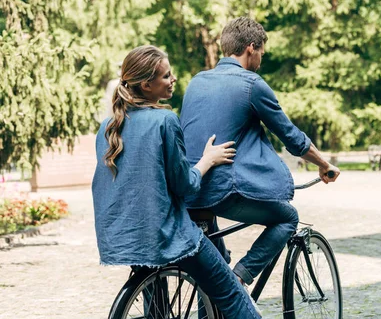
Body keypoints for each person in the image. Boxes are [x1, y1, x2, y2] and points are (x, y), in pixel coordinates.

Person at [91, 45, 261, 319]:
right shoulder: (165, 121)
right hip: (164, 234)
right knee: (231, 294)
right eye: (166, 76)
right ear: (147, 85)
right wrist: (207, 160)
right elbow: (186, 186)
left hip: (125, 236)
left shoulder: (107, 127)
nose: (173, 80)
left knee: (156, 308)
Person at [180, 17, 341, 299]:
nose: (261, 60)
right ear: (251, 48)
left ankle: (221, 295)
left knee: (212, 272)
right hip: (223, 191)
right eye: (262, 53)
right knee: (288, 218)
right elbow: (292, 138)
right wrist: (324, 165)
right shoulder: (251, 84)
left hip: (190, 189)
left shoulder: (196, 81)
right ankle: (239, 279)